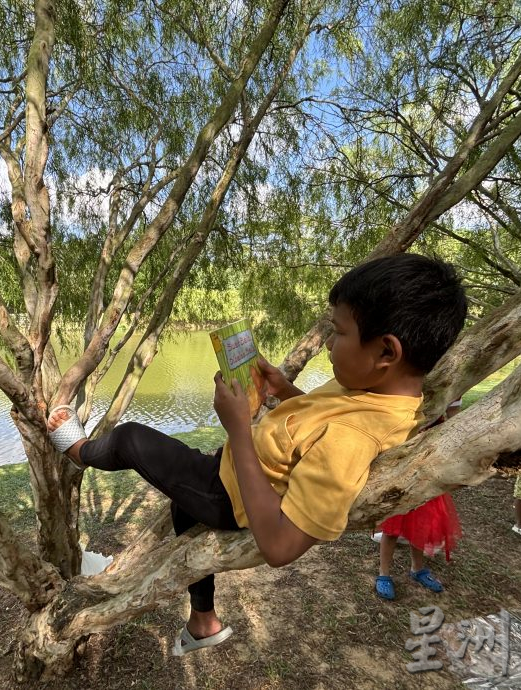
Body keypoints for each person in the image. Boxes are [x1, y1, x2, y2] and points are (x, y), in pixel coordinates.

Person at [47, 253, 467, 655]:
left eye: (338, 333)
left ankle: (78, 451)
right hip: (235, 469)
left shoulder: (353, 437)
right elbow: (321, 428)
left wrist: (238, 431)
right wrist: (284, 391)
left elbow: (282, 547)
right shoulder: (373, 390)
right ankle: (203, 623)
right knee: (181, 510)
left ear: (386, 352)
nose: (328, 346)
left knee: (131, 440)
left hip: (231, 495)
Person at [374, 400, 463, 600]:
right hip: (402, 469)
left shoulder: (450, 389)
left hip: (431, 469)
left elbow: (455, 418)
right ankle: (384, 574)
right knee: (392, 526)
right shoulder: (406, 390)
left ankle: (417, 568)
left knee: (422, 522)